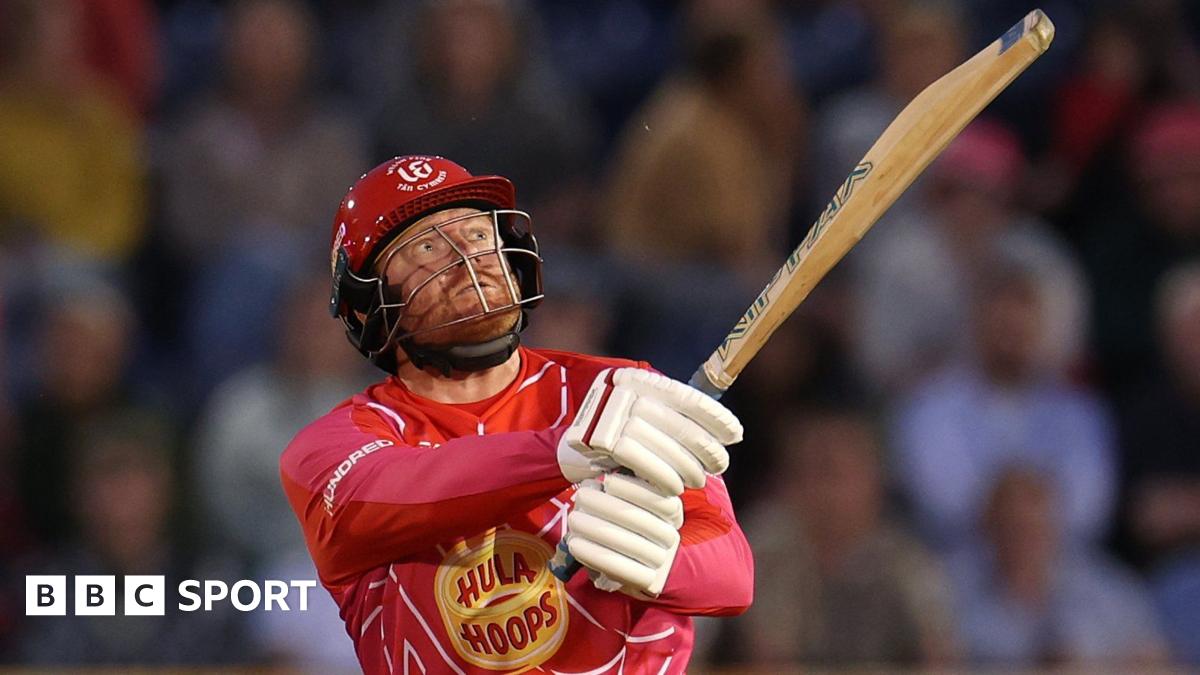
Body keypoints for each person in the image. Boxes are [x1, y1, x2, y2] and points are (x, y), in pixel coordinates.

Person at [281, 156, 752, 674]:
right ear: (365, 305)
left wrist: (663, 565)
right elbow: (376, 497)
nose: (468, 257)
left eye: (479, 234)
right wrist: (562, 451)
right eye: (428, 247)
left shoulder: (620, 389)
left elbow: (732, 574)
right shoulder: (332, 445)